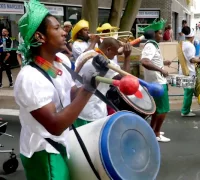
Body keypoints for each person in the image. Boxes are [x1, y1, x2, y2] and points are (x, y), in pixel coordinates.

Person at [14, 1, 108, 179]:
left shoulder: (61, 62)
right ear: (40, 37)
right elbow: (55, 125)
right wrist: (88, 89)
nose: (64, 32)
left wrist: (94, 76)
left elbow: (72, 96)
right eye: (57, 28)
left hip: (60, 145)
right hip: (44, 153)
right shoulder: (29, 78)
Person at [73, 38, 132, 128]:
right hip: (93, 112)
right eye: (114, 54)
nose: (114, 57)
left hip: (76, 108)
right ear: (108, 49)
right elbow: (126, 81)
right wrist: (127, 56)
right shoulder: (107, 65)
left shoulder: (86, 54)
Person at [140, 19, 171, 142]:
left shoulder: (153, 45)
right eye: (159, 33)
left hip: (155, 83)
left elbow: (151, 60)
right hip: (158, 83)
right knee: (163, 110)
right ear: (153, 34)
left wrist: (163, 63)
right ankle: (156, 133)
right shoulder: (150, 45)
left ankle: (152, 130)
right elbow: (145, 61)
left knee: (156, 110)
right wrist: (161, 70)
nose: (161, 35)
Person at [180, 26, 200, 117]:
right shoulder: (190, 46)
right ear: (192, 37)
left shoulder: (181, 44)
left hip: (182, 70)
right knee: (188, 92)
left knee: (187, 91)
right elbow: (192, 60)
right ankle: (185, 111)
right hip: (189, 72)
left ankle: (187, 108)